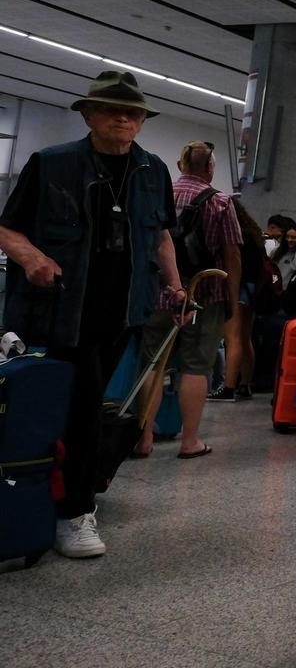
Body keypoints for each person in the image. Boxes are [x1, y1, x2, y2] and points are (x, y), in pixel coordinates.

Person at [0, 71, 181, 558]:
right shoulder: (51, 164)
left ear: (142, 121)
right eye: (111, 109)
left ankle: (54, 495)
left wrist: (176, 286)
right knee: (80, 412)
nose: (123, 117)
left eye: (133, 112)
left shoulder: (153, 170)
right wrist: (33, 258)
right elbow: (7, 228)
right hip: (60, 311)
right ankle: (74, 513)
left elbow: (160, 235)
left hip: (122, 313)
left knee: (83, 407)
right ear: (88, 114)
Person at [136, 141, 241, 458]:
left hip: (159, 293)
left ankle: (144, 439)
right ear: (210, 168)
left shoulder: (159, 196)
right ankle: (189, 441)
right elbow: (232, 254)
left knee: (153, 363)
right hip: (204, 295)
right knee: (196, 367)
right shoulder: (221, 203)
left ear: (181, 164)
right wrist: (231, 299)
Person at [208, 199, 265, 402]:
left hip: (239, 288)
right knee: (245, 337)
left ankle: (228, 387)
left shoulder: (238, 235)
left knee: (232, 338)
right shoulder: (256, 236)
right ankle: (245, 384)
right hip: (252, 292)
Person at [271, 222, 296, 289]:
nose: (289, 240)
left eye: (293, 237)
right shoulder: (276, 251)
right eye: (287, 236)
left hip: (288, 293)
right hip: (273, 290)